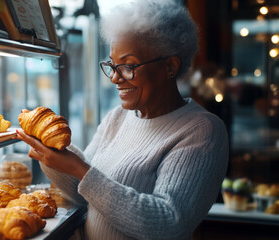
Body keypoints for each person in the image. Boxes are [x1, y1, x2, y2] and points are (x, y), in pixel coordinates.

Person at [15, 0, 229, 239]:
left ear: (170, 66)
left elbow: (169, 222)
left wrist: (79, 168)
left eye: (127, 66)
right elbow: (83, 191)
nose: (115, 78)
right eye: (111, 65)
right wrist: (49, 151)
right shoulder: (117, 117)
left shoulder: (202, 131)